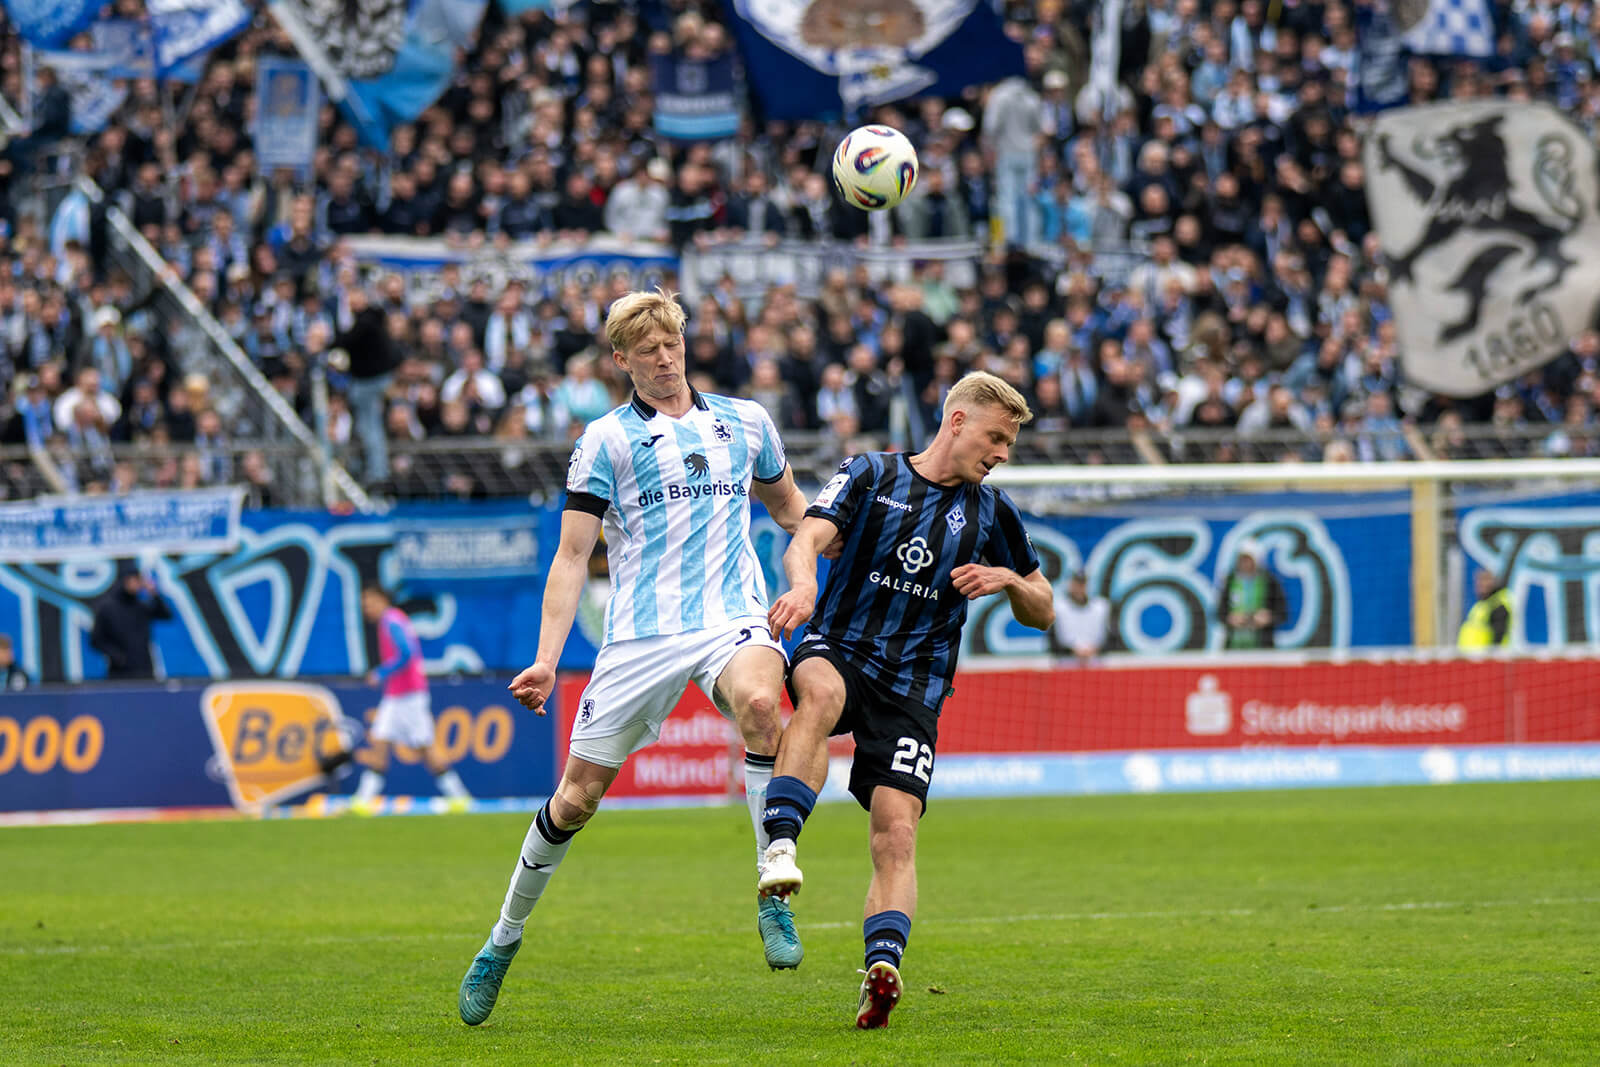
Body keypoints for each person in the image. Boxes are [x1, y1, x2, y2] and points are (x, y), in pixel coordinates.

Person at [457, 288, 813, 1026]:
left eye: (672, 341)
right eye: (647, 347)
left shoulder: (746, 422)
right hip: (640, 636)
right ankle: (502, 940)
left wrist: (806, 576)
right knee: (576, 798)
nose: (664, 355)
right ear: (621, 359)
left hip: (731, 616)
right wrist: (548, 659)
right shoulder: (605, 441)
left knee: (758, 705)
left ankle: (772, 884)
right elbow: (571, 556)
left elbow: (792, 513)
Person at [759, 371, 1055, 1029]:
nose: (1002, 452)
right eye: (996, 437)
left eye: (1009, 443)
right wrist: (804, 586)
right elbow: (806, 534)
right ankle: (779, 848)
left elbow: (1045, 609)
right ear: (956, 421)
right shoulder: (869, 473)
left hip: (915, 688)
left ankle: (880, 970)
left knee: (897, 830)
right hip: (841, 646)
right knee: (820, 692)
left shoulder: (993, 513)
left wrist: (1008, 578)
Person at [325, 584, 473, 808]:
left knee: (426, 747)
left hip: (408, 696)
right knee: (381, 742)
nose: (367, 608)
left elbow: (407, 653)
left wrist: (381, 672)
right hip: (399, 695)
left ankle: (459, 797)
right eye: (364, 604)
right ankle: (363, 801)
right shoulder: (395, 619)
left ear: (383, 599)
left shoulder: (391, 620)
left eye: (370, 602)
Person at [89, 561, 172, 680]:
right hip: (119, 672)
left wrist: (154, 594)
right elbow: (96, 640)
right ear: (124, 580)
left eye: (139, 580)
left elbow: (166, 615)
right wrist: (117, 656)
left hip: (144, 669)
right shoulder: (107, 608)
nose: (137, 584)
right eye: (134, 580)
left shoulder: (141, 606)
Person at [1218, 542, 1287, 650]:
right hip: (1233, 646)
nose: (1245, 563)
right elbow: (1218, 612)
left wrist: (1268, 617)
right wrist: (1230, 618)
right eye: (1242, 559)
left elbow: (1283, 612)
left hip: (1262, 646)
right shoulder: (1230, 581)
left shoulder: (1269, 581)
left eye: (1248, 559)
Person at [1049, 571, 1110, 661]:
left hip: (1095, 662)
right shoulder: (1058, 608)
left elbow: (1110, 639)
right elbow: (1052, 642)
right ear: (1070, 585)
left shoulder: (1101, 607)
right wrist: (1073, 651)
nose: (1079, 588)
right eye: (1076, 584)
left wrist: (1094, 649)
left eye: (1082, 584)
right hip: (1066, 662)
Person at [1457, 567, 1513, 650]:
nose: (1481, 584)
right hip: (1474, 659)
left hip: (1487, 659)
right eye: (1479, 580)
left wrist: (1492, 658)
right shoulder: (1482, 605)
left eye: (1486, 580)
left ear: (1494, 582)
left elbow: (1498, 637)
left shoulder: (1497, 605)